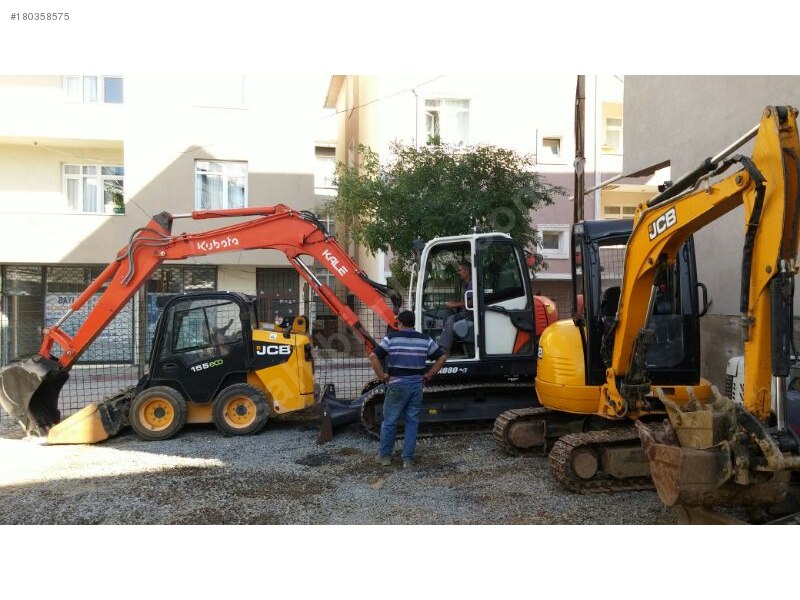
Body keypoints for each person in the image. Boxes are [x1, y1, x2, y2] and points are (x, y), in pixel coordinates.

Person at [369, 309, 448, 468]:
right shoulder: (425, 339)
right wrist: (429, 375)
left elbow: (373, 356)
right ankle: (407, 459)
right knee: (412, 422)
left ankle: (384, 457)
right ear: (413, 323)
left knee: (390, 422)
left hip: (396, 385)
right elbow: (442, 357)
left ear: (400, 323)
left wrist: (382, 376)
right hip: (416, 386)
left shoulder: (391, 338)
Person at [437, 261, 473, 354]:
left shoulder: (472, 284)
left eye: (460, 270)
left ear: (467, 271)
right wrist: (455, 304)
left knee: (451, 319)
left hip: (470, 314)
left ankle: (443, 349)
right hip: (466, 313)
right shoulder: (466, 284)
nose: (458, 272)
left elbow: (472, 303)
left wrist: (454, 305)